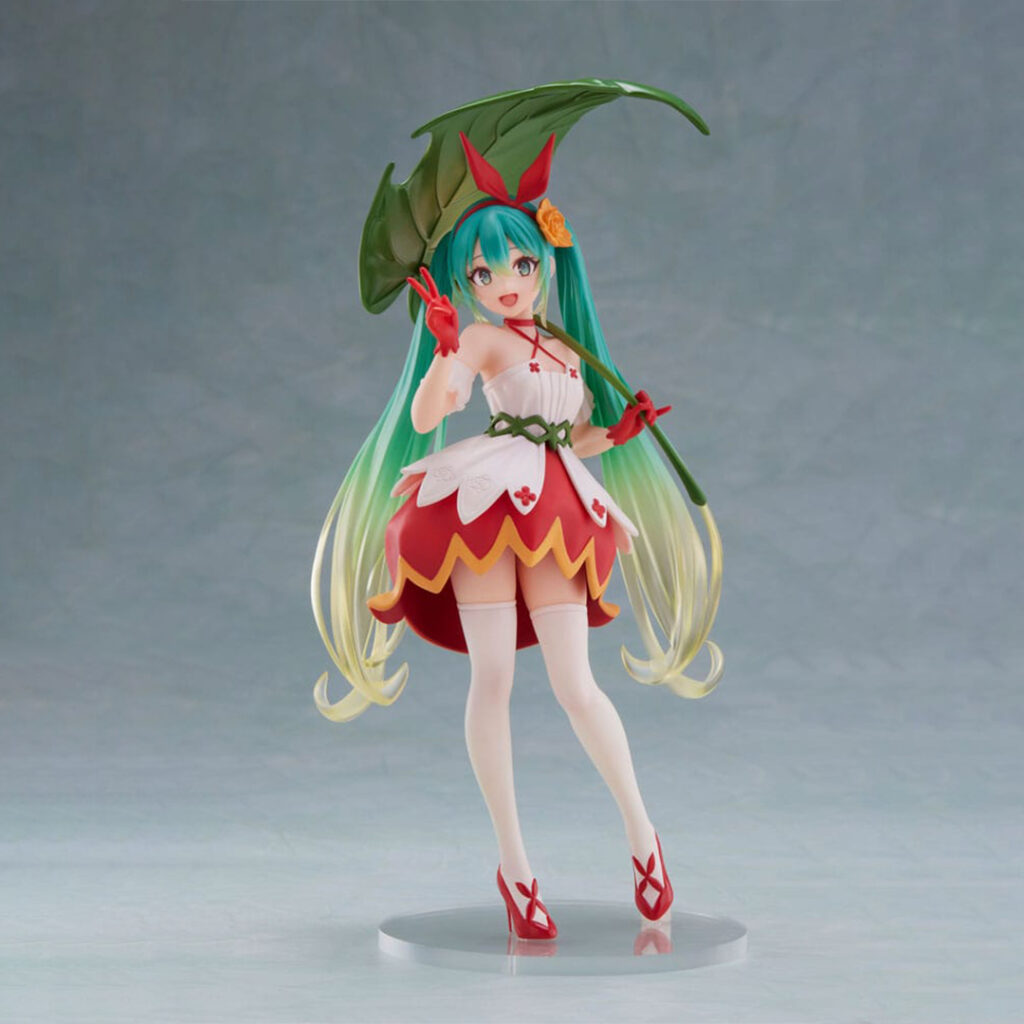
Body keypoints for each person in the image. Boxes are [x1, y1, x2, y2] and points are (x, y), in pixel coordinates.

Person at [311, 132, 722, 941]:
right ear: (467, 284)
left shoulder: (567, 348)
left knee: (576, 684)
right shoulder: (480, 338)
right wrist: (443, 348)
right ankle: (515, 865)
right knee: (493, 677)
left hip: (553, 505)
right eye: (484, 274)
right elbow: (429, 414)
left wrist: (622, 432)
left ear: (546, 262)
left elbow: (570, 440)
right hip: (485, 505)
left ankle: (643, 835)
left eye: (521, 264)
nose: (505, 283)